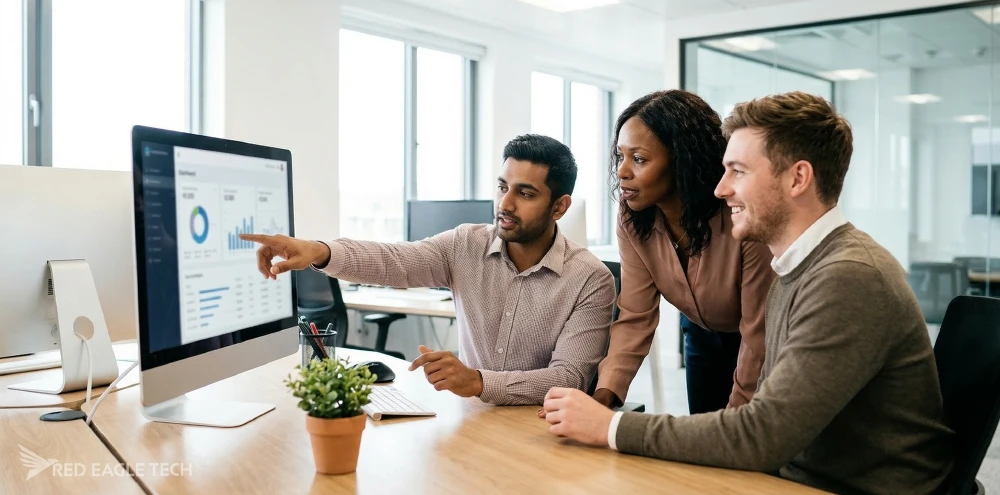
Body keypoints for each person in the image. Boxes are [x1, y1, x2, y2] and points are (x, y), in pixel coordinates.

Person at [541, 91, 954, 495]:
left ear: (798, 178)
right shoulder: (798, 267)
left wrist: (610, 426)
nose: (720, 190)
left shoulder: (846, 277)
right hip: (797, 471)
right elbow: (768, 428)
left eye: (738, 171)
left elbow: (761, 434)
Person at [242, 134, 615, 406]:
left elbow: (570, 379)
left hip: (542, 428)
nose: (506, 203)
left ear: (560, 207)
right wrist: (318, 251)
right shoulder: (465, 244)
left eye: (525, 193)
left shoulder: (590, 279)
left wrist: (478, 381)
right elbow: (396, 261)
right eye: (502, 187)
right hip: (472, 419)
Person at [592, 90, 775, 413]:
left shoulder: (741, 214)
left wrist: (734, 422)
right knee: (702, 447)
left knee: (742, 444)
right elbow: (636, 316)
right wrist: (602, 397)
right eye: (620, 156)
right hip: (701, 336)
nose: (622, 171)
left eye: (639, 159)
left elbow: (757, 335)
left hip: (762, 343)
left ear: (683, 159)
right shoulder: (633, 216)